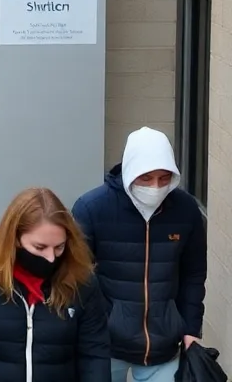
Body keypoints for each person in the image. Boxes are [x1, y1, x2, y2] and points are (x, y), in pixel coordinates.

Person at [71, 127, 207, 382]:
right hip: (105, 344)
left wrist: (191, 327)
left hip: (164, 344)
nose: (156, 187)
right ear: (130, 171)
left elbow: (193, 273)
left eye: (164, 178)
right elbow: (76, 274)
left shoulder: (186, 210)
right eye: (146, 178)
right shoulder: (92, 208)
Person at [0, 187, 111, 381]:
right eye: (40, 247)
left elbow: (95, 353)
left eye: (59, 247)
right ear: (15, 238)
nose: (51, 257)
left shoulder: (81, 281)